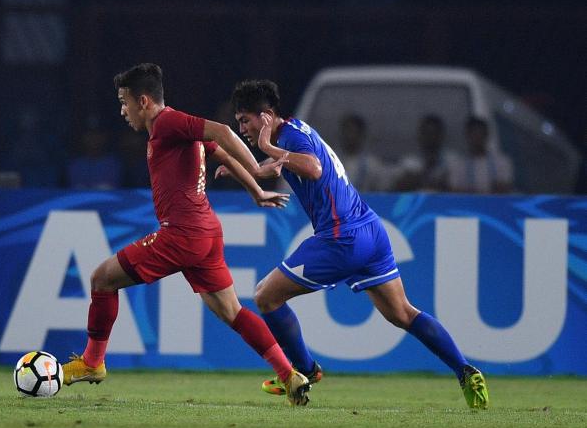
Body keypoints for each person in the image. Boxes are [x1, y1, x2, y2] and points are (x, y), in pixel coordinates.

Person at [216, 79, 489, 409]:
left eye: (246, 119)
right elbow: (274, 168)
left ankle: (304, 370)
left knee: (266, 296)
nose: (242, 128)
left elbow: (313, 168)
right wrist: (239, 168)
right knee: (402, 312)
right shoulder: (296, 130)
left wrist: (271, 149)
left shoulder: (288, 138)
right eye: (239, 121)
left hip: (341, 237)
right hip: (370, 231)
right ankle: (466, 371)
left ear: (268, 115)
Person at [61, 64, 312, 406]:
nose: (122, 111)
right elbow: (220, 152)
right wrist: (255, 191)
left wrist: (256, 170)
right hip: (206, 233)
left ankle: (91, 363)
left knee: (102, 279)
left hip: (182, 234)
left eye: (124, 102)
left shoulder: (167, 122)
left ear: (144, 101)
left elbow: (223, 132)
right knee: (232, 312)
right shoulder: (176, 133)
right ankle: (289, 374)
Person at [394, 114, 459, 192]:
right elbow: (398, 188)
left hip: (445, 202)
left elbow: (458, 189)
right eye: (427, 133)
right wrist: (422, 174)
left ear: (441, 135)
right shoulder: (408, 162)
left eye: (434, 133)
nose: (430, 137)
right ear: (420, 136)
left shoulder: (453, 160)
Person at [449, 116, 514, 194]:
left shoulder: (501, 162)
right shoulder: (458, 164)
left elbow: (505, 188)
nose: (477, 138)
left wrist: (470, 190)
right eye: (474, 134)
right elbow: (455, 191)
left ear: (486, 135)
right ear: (467, 136)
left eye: (480, 134)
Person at [334, 113, 393, 192]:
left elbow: (384, 189)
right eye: (347, 132)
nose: (349, 136)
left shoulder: (372, 165)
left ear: (361, 135)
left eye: (353, 132)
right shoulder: (331, 161)